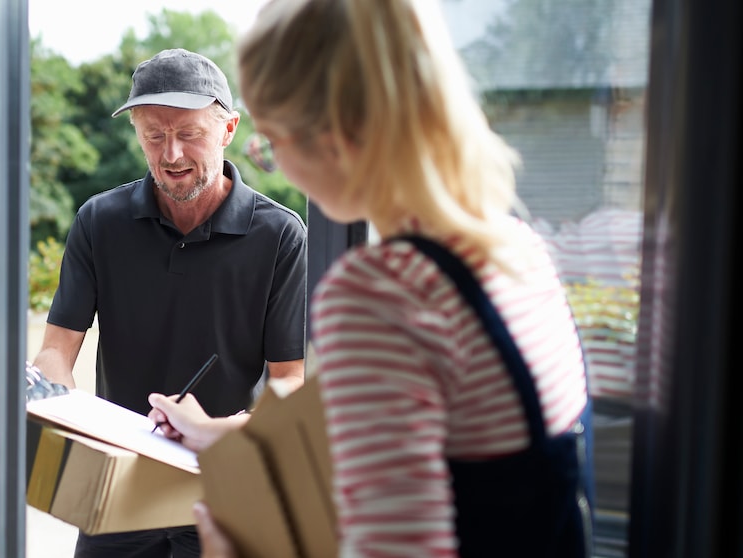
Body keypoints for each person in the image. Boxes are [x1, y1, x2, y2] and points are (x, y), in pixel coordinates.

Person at [147, 1, 595, 557]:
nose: (277, 166)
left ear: (334, 138)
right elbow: (413, 422)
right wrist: (217, 433)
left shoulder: (381, 293)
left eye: (274, 144)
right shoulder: (516, 250)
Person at [30, 47, 308, 558]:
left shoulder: (281, 236)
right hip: (114, 480)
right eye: (153, 136)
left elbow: (290, 382)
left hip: (223, 487)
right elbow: (56, 351)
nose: (171, 155)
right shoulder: (99, 221)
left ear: (228, 130)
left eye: (189, 134)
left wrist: (212, 432)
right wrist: (51, 401)